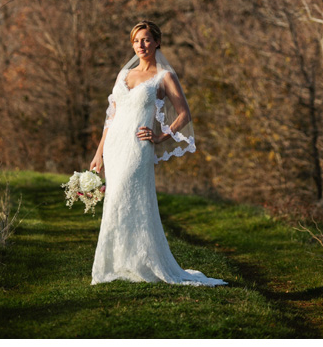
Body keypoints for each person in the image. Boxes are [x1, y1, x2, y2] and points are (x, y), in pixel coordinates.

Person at [89, 20, 226, 286]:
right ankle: (119, 263)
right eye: (136, 41)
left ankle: (144, 262)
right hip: (115, 146)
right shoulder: (123, 75)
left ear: (157, 42)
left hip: (138, 147)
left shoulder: (164, 76)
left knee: (127, 199)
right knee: (114, 202)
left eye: (146, 40)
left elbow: (184, 113)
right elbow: (111, 118)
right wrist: (99, 154)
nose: (141, 45)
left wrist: (162, 136)